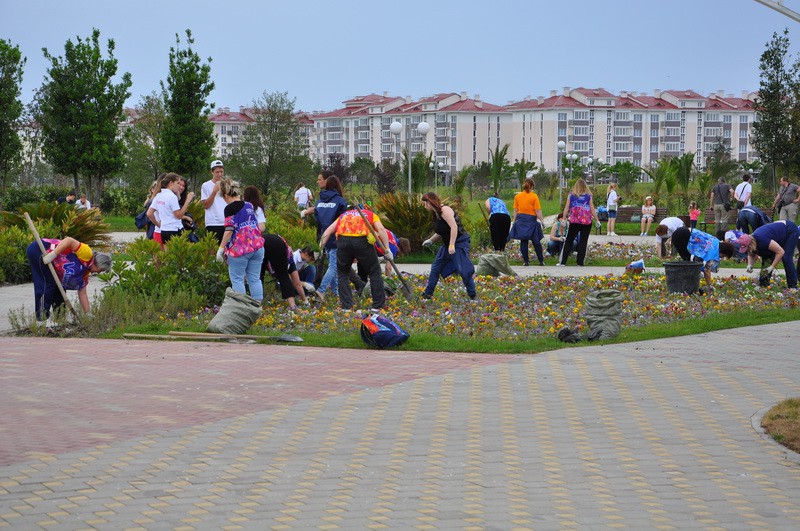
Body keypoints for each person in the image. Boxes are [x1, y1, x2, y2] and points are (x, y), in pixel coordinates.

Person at [319, 205, 391, 311]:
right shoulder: (371, 214)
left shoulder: (344, 215)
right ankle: (378, 305)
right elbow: (380, 229)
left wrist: (320, 249)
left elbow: (327, 231)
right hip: (362, 241)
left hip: (343, 242)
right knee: (374, 272)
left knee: (343, 274)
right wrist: (387, 249)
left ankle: (347, 306)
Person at [26, 236, 112, 320]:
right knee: (47, 284)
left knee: (59, 288)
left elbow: (83, 294)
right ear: (99, 264)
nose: (99, 272)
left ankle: (60, 319)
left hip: (50, 261)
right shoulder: (87, 253)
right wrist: (53, 254)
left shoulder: (85, 273)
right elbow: (69, 240)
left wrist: (87, 313)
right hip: (41, 250)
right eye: (101, 270)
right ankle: (42, 318)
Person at [215, 178, 265, 301]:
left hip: (240, 249)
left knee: (237, 279)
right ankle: (258, 306)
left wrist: (221, 248)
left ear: (226, 195)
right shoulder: (249, 205)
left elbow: (229, 230)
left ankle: (241, 306)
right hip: (257, 246)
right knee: (254, 278)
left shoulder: (229, 209)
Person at [420, 192, 476, 300]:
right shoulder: (436, 213)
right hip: (447, 244)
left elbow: (454, 227)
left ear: (430, 202)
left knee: (464, 270)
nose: (425, 205)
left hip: (459, 243)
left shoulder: (444, 210)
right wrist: (431, 240)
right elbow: (442, 231)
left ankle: (472, 294)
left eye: (425, 202)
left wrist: (451, 245)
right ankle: (428, 293)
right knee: (435, 268)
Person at [309, 172, 348, 300]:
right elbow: (343, 220)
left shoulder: (319, 201)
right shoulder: (340, 201)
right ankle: (321, 290)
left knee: (332, 264)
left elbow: (317, 218)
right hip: (336, 237)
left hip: (324, 236)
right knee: (334, 266)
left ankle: (335, 293)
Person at [744, 220, 799, 289]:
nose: (747, 251)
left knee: (786, 258)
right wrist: (750, 265)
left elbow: (780, 252)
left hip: (790, 230)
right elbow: (751, 254)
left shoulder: (762, 240)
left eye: (747, 248)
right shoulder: (751, 241)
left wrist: (772, 266)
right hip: (777, 234)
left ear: (750, 245)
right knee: (767, 257)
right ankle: (763, 284)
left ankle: (793, 286)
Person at [560, 179, 601, 267]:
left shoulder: (571, 195)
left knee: (569, 240)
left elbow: (566, 208)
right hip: (586, 221)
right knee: (583, 241)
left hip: (575, 221)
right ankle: (580, 262)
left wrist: (564, 218)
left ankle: (563, 262)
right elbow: (592, 209)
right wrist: (597, 220)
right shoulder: (588, 196)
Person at [262, 233, 309, 309]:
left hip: (271, 241)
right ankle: (293, 305)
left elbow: (297, 283)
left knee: (258, 276)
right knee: (284, 277)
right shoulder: (291, 260)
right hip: (275, 243)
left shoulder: (290, 260)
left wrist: (305, 301)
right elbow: (294, 282)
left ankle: (256, 302)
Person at [147, 173, 195, 246]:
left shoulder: (158, 195)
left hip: (164, 230)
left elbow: (149, 213)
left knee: (167, 252)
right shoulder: (172, 196)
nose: (179, 186)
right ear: (171, 183)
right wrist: (187, 201)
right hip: (174, 230)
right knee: (178, 252)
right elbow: (178, 215)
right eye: (178, 183)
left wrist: (158, 224)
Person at [508, 178, 545, 266]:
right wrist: (542, 221)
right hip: (531, 221)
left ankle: (526, 262)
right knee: (536, 241)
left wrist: (514, 221)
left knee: (523, 241)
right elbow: (537, 211)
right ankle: (541, 261)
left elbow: (515, 210)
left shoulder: (518, 196)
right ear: (532, 186)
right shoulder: (534, 196)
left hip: (521, 221)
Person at [201, 159, 228, 244]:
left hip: (227, 222)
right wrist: (214, 191)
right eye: (217, 172)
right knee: (213, 248)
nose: (219, 174)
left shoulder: (228, 184)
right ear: (212, 172)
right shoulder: (205, 185)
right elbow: (205, 205)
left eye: (221, 172)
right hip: (212, 223)